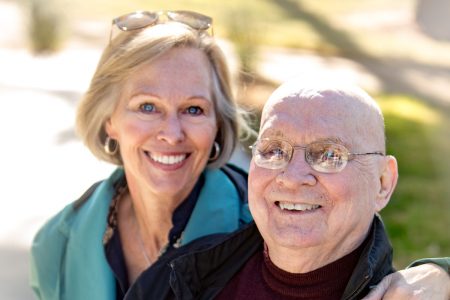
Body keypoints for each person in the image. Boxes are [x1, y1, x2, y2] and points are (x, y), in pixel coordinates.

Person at [29, 10, 449, 300]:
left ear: (218, 124)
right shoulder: (57, 244)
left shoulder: (272, 223)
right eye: (146, 106)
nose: (170, 133)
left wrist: (441, 272)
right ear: (109, 121)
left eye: (194, 109)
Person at [127, 79, 450, 299]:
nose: (292, 177)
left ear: (383, 183)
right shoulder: (177, 277)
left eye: (329, 155)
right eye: (274, 150)